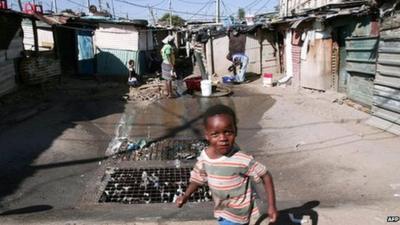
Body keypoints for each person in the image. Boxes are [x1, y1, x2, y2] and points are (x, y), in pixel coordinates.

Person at [176, 104, 278, 225]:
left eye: (228, 132)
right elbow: (198, 177)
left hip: (237, 212)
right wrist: (186, 195)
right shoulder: (205, 157)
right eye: (215, 134)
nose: (223, 138)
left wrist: (272, 206)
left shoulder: (242, 160)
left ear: (235, 132)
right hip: (222, 208)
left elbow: (265, 175)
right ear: (207, 135)